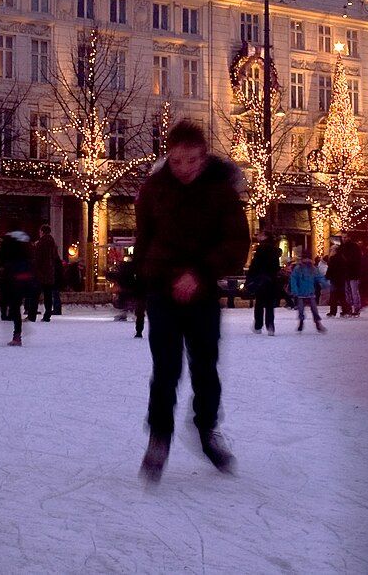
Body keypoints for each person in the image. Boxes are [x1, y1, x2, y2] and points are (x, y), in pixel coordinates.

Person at [131, 122, 250, 483]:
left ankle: (206, 428)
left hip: (203, 294)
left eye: (193, 160)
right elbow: (145, 241)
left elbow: (236, 243)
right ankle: (159, 436)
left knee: (205, 367)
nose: (184, 168)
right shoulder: (154, 190)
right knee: (166, 368)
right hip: (163, 292)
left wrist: (199, 273)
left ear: (204, 156)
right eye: (177, 161)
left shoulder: (222, 191)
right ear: (168, 156)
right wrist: (139, 281)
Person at [0, 231, 34, 346]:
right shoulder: (25, 244)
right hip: (24, 279)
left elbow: (2, 261)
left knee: (14, 307)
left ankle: (17, 334)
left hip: (12, 279)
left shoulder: (8, 244)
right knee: (16, 306)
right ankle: (17, 334)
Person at [247, 229, 282, 335]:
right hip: (271, 280)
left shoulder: (260, 249)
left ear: (265, 236)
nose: (258, 236)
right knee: (270, 304)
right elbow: (276, 267)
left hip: (260, 279)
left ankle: (258, 325)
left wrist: (250, 278)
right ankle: (270, 326)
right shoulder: (275, 250)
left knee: (259, 303)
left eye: (260, 235)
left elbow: (254, 266)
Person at [288, 253, 327, 332]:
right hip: (301, 293)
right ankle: (301, 322)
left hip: (310, 292)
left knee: (314, 309)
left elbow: (319, 277)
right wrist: (295, 290)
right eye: (305, 258)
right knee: (301, 310)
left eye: (308, 258)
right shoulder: (298, 269)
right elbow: (293, 280)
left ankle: (317, 323)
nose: (307, 260)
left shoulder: (313, 269)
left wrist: (325, 283)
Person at [33, 223, 61, 321]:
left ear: (42, 232)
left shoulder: (41, 243)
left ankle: (32, 315)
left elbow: (38, 258)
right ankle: (47, 315)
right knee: (48, 295)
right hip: (50, 273)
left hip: (41, 273)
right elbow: (55, 257)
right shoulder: (53, 243)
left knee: (34, 295)